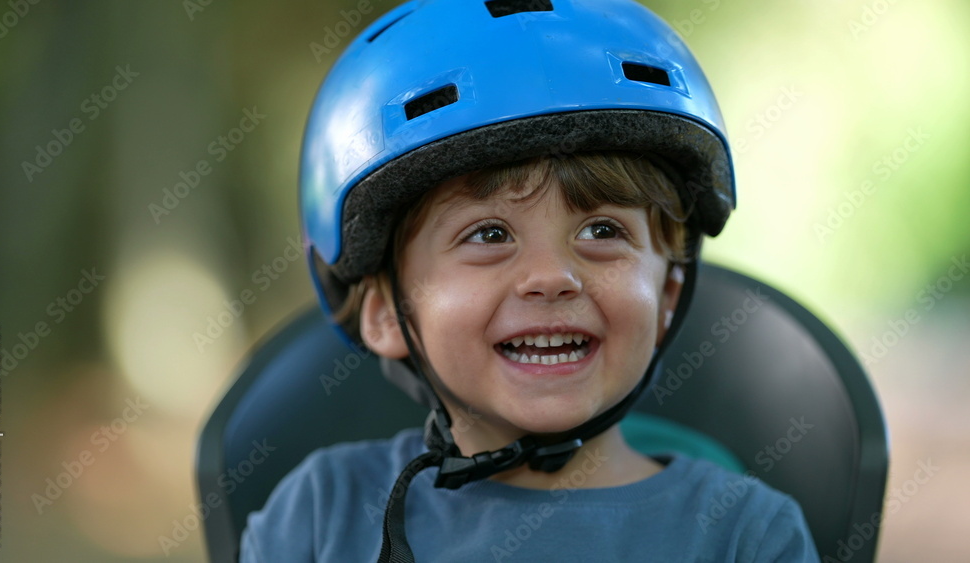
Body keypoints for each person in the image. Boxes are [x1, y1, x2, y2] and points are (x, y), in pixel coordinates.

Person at [242, 0, 819, 560]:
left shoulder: (745, 536)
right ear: (387, 313)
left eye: (601, 231)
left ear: (667, 295)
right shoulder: (318, 517)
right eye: (489, 235)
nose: (550, 277)